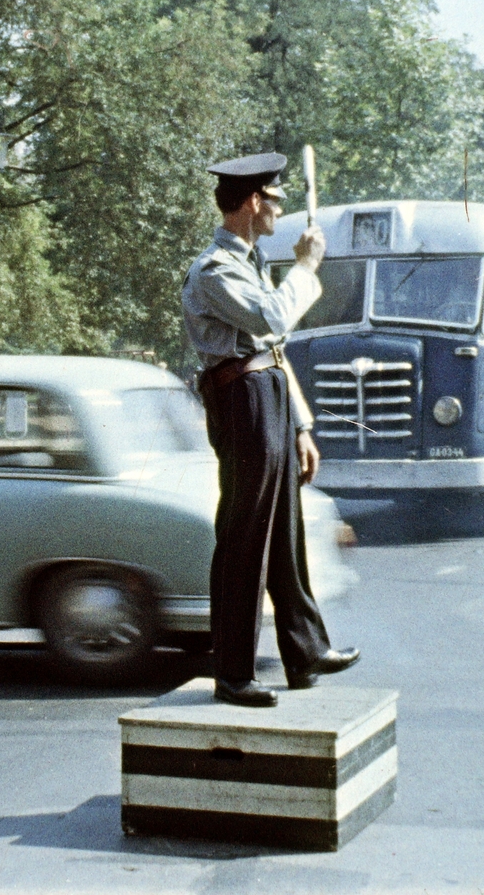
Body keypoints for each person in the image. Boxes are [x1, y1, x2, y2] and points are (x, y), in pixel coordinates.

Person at [182, 151, 359, 708]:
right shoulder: (215, 269)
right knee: (245, 537)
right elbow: (271, 320)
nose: (280, 209)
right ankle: (233, 673)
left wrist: (301, 423)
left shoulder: (250, 262)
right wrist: (306, 267)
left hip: (268, 396)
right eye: (274, 200)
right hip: (242, 401)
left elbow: (273, 351)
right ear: (254, 201)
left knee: (283, 530)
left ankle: (305, 651)